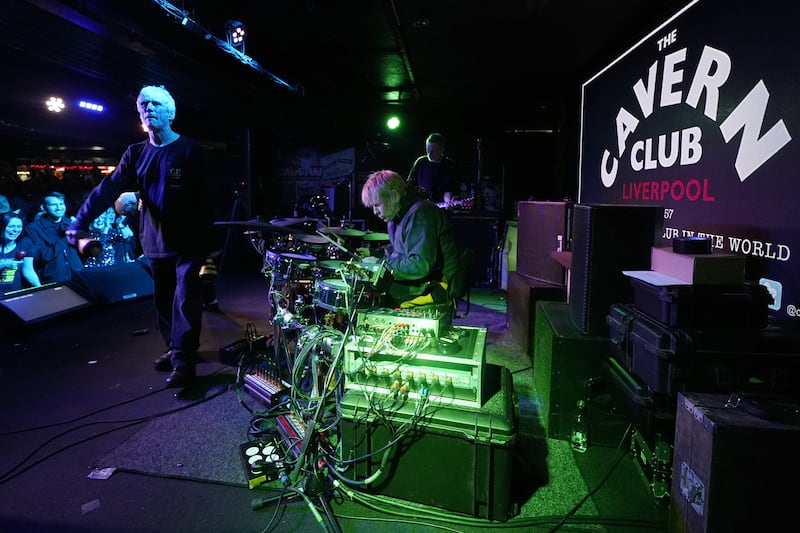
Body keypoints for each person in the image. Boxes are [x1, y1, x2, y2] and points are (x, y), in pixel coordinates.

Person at [67, 85, 214, 389]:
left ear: (170, 112)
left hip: (189, 243)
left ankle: (184, 361)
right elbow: (107, 188)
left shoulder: (190, 150)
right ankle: (175, 349)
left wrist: (209, 249)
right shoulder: (136, 153)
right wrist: (80, 222)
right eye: (143, 105)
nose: (149, 109)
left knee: (185, 300)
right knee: (163, 303)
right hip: (154, 241)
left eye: (156, 104)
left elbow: (207, 200)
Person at [358, 169, 468, 310]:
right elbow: (403, 248)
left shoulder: (422, 214)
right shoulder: (397, 215)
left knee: (375, 299)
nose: (375, 212)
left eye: (377, 205)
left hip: (435, 286)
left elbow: (420, 265)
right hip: (422, 281)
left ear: (394, 196)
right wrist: (375, 254)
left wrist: (380, 265)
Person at [23, 191, 84, 283]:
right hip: (54, 280)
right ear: (43, 207)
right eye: (54, 205)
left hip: (78, 275)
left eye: (61, 204)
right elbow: (44, 255)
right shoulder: (33, 229)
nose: (59, 208)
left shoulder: (69, 223)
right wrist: (67, 237)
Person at [406, 132, 459, 207]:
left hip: (442, 210)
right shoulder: (420, 162)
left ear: (442, 150)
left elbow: (454, 189)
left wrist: (450, 196)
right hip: (422, 208)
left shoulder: (450, 166)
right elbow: (409, 186)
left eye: (433, 151)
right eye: (428, 150)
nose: (429, 154)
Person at [0, 212, 42, 294]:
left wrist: (40, 288)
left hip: (13, 293)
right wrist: (3, 264)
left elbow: (28, 270)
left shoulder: (25, 243)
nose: (15, 230)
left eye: (19, 227)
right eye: (11, 226)